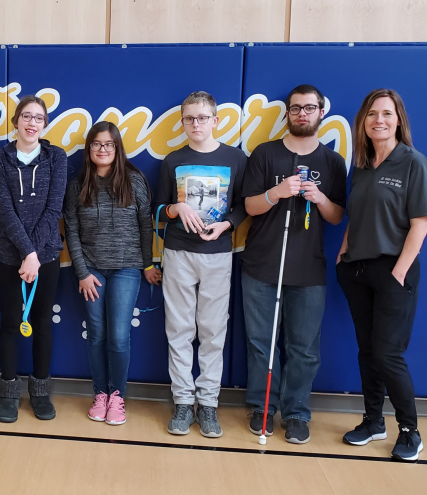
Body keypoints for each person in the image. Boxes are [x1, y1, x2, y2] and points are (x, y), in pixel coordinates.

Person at [241, 84, 346, 444]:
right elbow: (250, 208)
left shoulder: (332, 163)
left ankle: (297, 412)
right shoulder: (264, 154)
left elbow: (337, 217)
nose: (303, 113)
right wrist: (276, 193)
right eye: (296, 108)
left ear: (320, 112)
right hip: (261, 265)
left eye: (310, 108)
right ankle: (262, 406)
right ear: (287, 113)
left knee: (303, 347)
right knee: (261, 343)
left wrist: (319, 198)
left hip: (308, 270)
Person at [336, 89, 427, 462]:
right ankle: (373, 421)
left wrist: (398, 273)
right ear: (364, 120)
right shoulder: (360, 165)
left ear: (398, 120)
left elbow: (420, 224)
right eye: (372, 113)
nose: (379, 119)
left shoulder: (413, 162)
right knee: (367, 351)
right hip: (357, 270)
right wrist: (343, 252)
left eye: (387, 113)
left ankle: (410, 430)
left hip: (395, 270)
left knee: (388, 353)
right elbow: (357, 215)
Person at [155, 91, 247, 437]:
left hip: (218, 256)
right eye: (189, 118)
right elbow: (159, 207)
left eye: (203, 118)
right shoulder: (172, 161)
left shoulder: (236, 159)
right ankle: (182, 402)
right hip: (178, 253)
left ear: (216, 121)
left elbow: (242, 206)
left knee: (212, 332)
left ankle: (208, 405)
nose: (196, 124)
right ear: (182, 122)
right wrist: (174, 210)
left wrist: (227, 224)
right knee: (178, 330)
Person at [63, 121, 158, 426]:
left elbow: (146, 226)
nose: (102, 150)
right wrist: (81, 272)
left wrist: (146, 264)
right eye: (96, 144)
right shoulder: (77, 185)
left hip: (127, 269)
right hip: (91, 270)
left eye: (109, 144)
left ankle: (117, 395)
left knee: (118, 335)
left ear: (117, 148)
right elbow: (72, 231)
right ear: (88, 149)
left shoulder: (134, 180)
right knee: (97, 334)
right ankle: (100, 393)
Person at [0, 95, 67, 423]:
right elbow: (4, 210)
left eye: (38, 118)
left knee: (42, 324)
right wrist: (27, 253)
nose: (32, 123)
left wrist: (35, 256)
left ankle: (39, 392)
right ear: (16, 122)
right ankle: (8, 392)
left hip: (47, 257)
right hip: (10, 258)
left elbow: (54, 209)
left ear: (44, 124)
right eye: (26, 116)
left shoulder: (56, 157)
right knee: (10, 323)